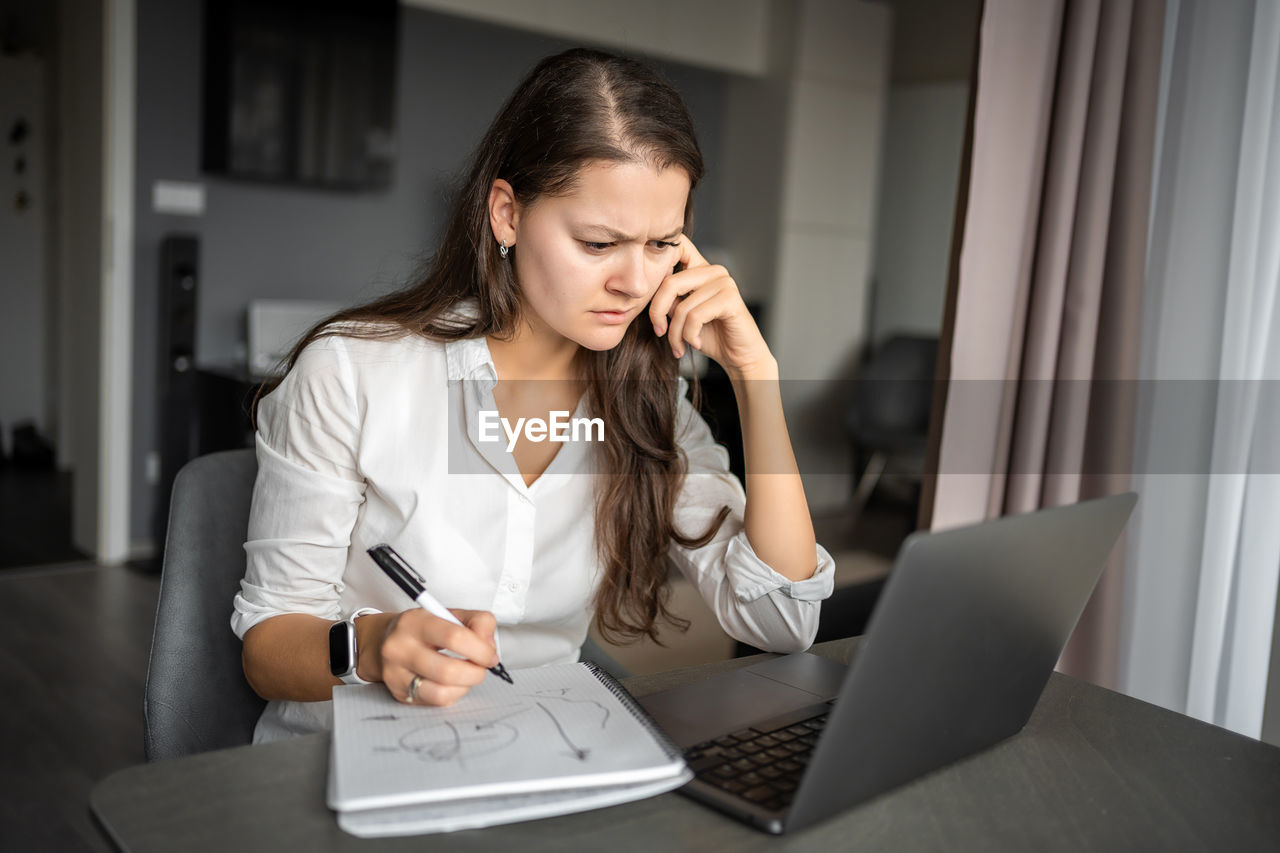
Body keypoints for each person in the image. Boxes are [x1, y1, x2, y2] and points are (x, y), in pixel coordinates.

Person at [232, 47, 835, 742]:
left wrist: (756, 379)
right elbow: (267, 649)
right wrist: (372, 645)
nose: (636, 283)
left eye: (664, 243)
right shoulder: (352, 372)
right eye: (599, 242)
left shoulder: (648, 406)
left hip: (540, 758)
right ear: (507, 215)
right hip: (345, 762)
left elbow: (784, 620)